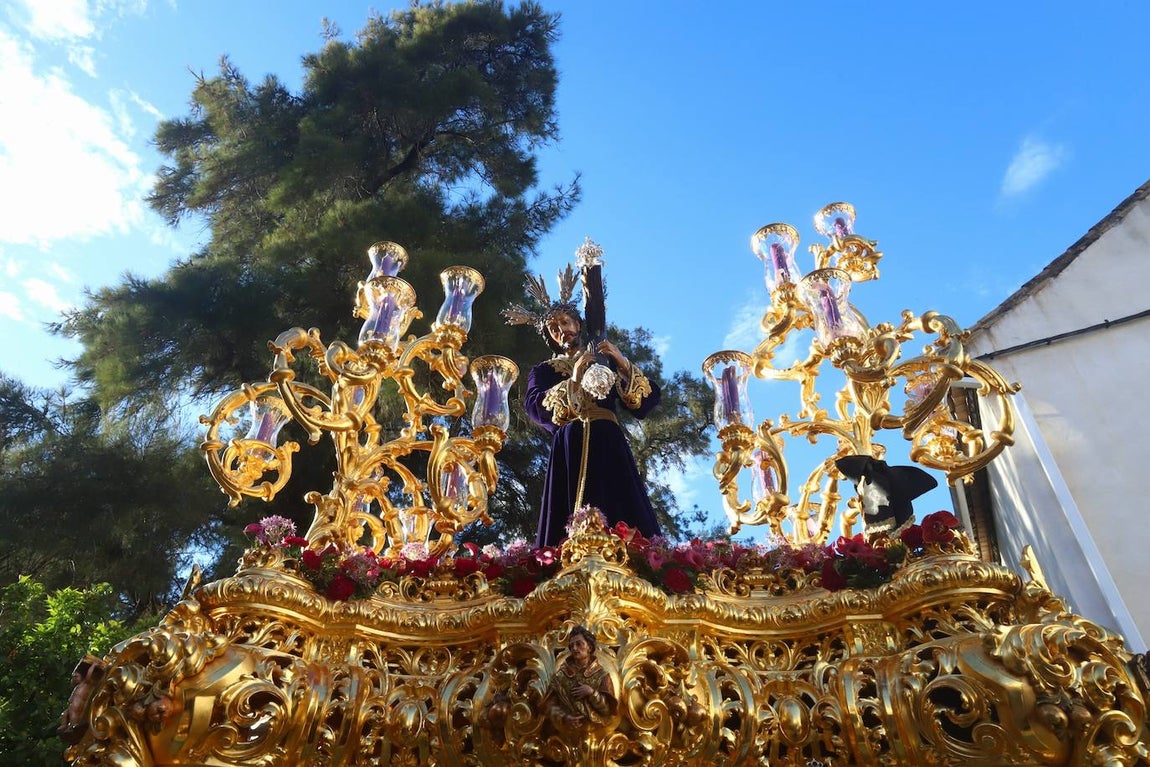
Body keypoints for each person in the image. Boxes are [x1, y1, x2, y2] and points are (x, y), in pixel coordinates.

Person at [523, 305, 662, 547]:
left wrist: (623, 363)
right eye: (554, 328)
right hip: (569, 445)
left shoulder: (603, 360)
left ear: (577, 325)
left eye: (565, 322)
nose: (561, 330)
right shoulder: (543, 370)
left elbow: (644, 404)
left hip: (609, 443)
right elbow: (535, 407)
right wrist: (575, 378)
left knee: (621, 503)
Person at [541, 626, 615, 730]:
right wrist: (564, 717)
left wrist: (592, 693)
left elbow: (607, 710)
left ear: (589, 647)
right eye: (571, 646)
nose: (574, 648)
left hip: (596, 730)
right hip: (568, 734)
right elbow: (548, 706)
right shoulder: (560, 676)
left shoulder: (602, 675)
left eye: (579, 644)